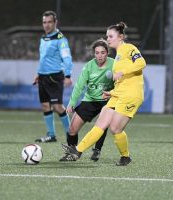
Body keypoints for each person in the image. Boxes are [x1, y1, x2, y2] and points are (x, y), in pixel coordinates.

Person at [62, 22, 146, 166]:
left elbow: (142, 63)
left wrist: (122, 72)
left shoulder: (128, 48)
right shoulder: (119, 55)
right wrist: (112, 92)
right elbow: (123, 81)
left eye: (111, 36)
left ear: (120, 37)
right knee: (101, 123)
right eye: (107, 36)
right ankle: (78, 150)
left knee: (115, 128)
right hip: (118, 94)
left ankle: (125, 156)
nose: (108, 39)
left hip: (131, 95)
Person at [59, 39, 114, 162]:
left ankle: (97, 150)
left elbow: (122, 81)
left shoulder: (114, 64)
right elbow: (79, 85)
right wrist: (72, 103)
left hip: (108, 100)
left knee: (102, 125)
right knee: (72, 129)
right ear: (94, 53)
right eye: (97, 53)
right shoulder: (89, 66)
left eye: (102, 52)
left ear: (107, 53)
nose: (99, 55)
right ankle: (72, 152)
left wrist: (113, 93)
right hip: (90, 100)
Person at [34, 10, 73, 143]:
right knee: (45, 105)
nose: (47, 25)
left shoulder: (60, 39)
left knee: (57, 106)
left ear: (55, 22)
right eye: (44, 22)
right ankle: (51, 135)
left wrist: (68, 75)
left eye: (50, 22)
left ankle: (70, 133)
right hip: (43, 76)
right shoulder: (43, 38)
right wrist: (38, 74)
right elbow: (43, 59)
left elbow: (67, 58)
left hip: (54, 77)